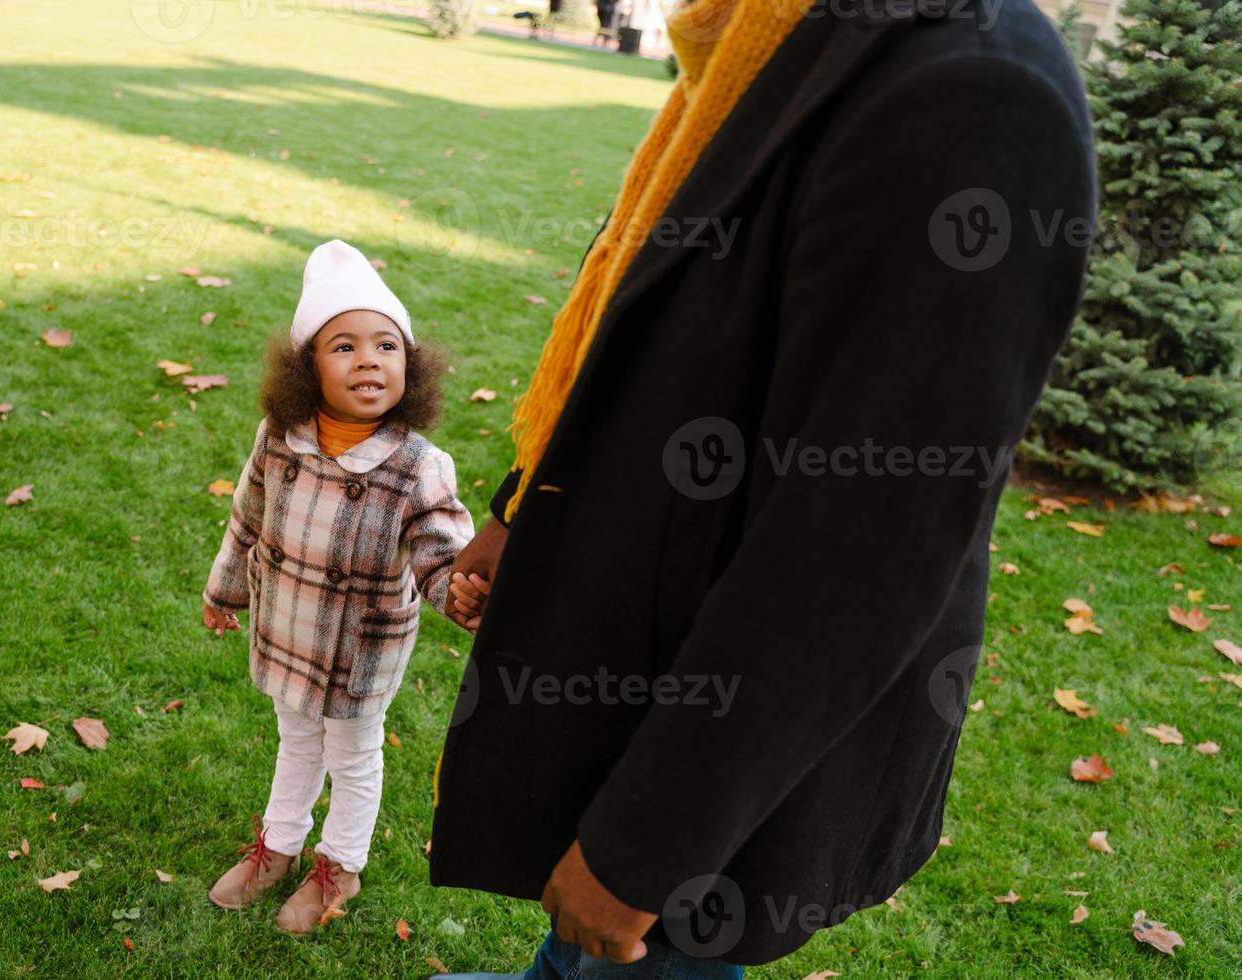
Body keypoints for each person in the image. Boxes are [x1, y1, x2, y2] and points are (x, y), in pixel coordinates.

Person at [433, 0, 1097, 974]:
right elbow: (660, 315)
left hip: (720, 733)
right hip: (646, 646)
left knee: (644, 948)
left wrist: (645, 846)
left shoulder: (976, 90)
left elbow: (857, 550)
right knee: (580, 954)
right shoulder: (763, 34)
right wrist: (518, 504)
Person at [200, 239, 482, 935]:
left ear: (409, 368)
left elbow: (442, 552)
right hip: (287, 626)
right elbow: (248, 518)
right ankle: (280, 846)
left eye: (386, 346)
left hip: (360, 648)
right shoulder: (279, 438)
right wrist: (223, 591)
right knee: (295, 739)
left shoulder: (419, 465)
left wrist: (459, 593)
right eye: (344, 346)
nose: (368, 360)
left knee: (353, 753)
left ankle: (342, 863)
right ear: (307, 369)